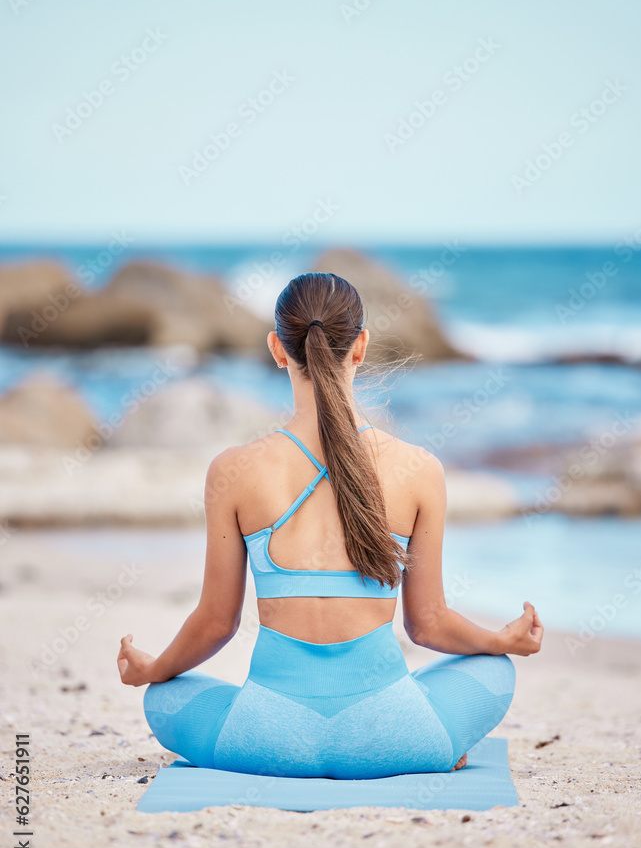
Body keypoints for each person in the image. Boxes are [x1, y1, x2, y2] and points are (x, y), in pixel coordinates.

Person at [117, 272, 543, 780]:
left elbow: (216, 623)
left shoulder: (233, 471)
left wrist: (154, 669)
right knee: (494, 671)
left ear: (278, 349)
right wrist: (501, 641)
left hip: (265, 742)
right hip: (394, 738)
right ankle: (432, 745)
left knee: (164, 698)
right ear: (360, 346)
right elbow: (427, 625)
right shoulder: (419, 469)